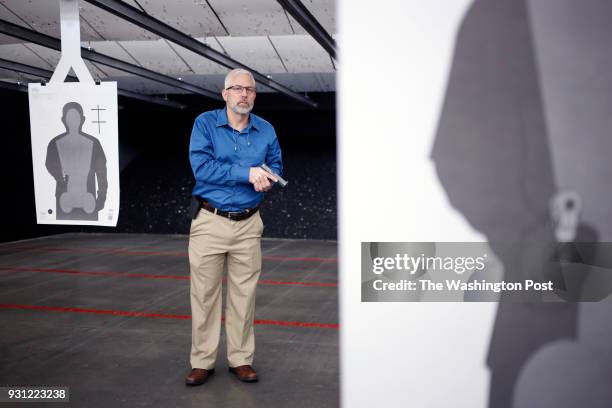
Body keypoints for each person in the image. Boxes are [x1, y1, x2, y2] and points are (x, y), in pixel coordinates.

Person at [185, 68, 283, 385]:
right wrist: (247, 172)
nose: (244, 94)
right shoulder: (204, 124)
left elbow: (276, 166)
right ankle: (202, 361)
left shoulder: (266, 130)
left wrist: (267, 177)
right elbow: (202, 167)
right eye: (237, 89)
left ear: (254, 95)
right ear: (224, 93)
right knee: (204, 295)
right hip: (209, 222)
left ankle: (240, 359)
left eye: (250, 90)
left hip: (248, 224)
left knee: (244, 296)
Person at [45, 101, 107, 221]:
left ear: (82, 119)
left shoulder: (94, 143)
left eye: (76, 117)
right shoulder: (55, 143)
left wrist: (101, 197)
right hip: (65, 197)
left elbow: (102, 173)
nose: (73, 121)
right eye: (69, 117)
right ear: (63, 120)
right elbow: (49, 163)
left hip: (88, 198)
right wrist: (59, 176)